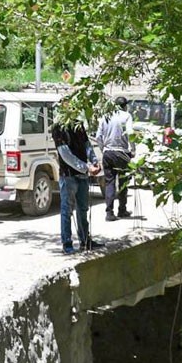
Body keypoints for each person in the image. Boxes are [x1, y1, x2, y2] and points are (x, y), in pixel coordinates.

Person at [52, 111, 104, 254]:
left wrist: (94, 161)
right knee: (66, 210)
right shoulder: (58, 128)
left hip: (82, 176)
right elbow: (65, 154)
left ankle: (85, 240)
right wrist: (87, 167)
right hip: (68, 175)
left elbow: (87, 145)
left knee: (83, 209)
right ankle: (67, 243)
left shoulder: (78, 125)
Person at [95, 96, 134, 221]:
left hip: (108, 153)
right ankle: (122, 210)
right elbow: (130, 133)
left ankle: (109, 213)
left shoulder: (105, 116)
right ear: (125, 105)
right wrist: (132, 150)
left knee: (109, 183)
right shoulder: (127, 116)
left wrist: (103, 149)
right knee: (123, 183)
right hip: (122, 153)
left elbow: (98, 136)